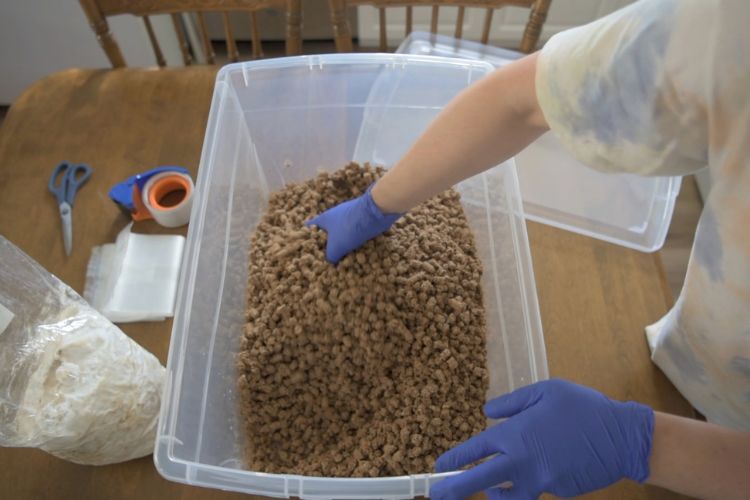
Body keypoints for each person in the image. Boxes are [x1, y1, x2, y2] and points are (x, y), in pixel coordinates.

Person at [306, 0, 750, 497]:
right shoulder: (732, 30)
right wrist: (378, 205)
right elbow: (521, 100)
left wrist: (644, 445)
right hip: (706, 366)